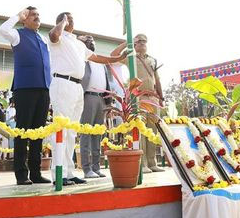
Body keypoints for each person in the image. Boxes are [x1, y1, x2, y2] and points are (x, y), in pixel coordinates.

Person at [48, 12, 128, 186]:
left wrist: (118, 58)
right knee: (61, 130)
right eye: (67, 18)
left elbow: (97, 58)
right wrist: (62, 22)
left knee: (71, 132)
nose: (71, 20)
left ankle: (68, 172)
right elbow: (53, 35)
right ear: (61, 21)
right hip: (62, 82)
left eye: (72, 18)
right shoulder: (58, 37)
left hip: (77, 87)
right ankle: (58, 174)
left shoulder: (78, 43)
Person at [0, 7, 52, 185]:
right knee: (22, 131)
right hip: (25, 89)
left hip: (43, 89)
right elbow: (2, 30)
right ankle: (21, 174)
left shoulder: (43, 38)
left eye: (39, 15)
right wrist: (17, 16)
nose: (37, 17)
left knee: (38, 133)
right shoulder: (17, 34)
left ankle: (36, 173)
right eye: (33, 15)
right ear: (24, 19)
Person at [112, 33, 164, 173]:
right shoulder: (131, 58)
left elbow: (157, 79)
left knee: (152, 130)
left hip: (152, 98)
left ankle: (152, 162)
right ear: (135, 44)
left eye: (144, 42)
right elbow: (113, 55)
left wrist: (161, 97)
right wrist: (127, 43)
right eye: (139, 41)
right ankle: (143, 163)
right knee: (140, 130)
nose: (142, 44)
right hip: (138, 98)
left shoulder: (153, 60)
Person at [78, 34, 114, 179]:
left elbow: (107, 83)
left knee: (98, 134)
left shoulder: (101, 62)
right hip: (88, 97)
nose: (91, 43)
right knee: (86, 133)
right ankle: (86, 169)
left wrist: (109, 102)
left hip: (101, 100)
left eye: (92, 41)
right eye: (87, 41)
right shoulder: (82, 59)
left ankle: (96, 167)